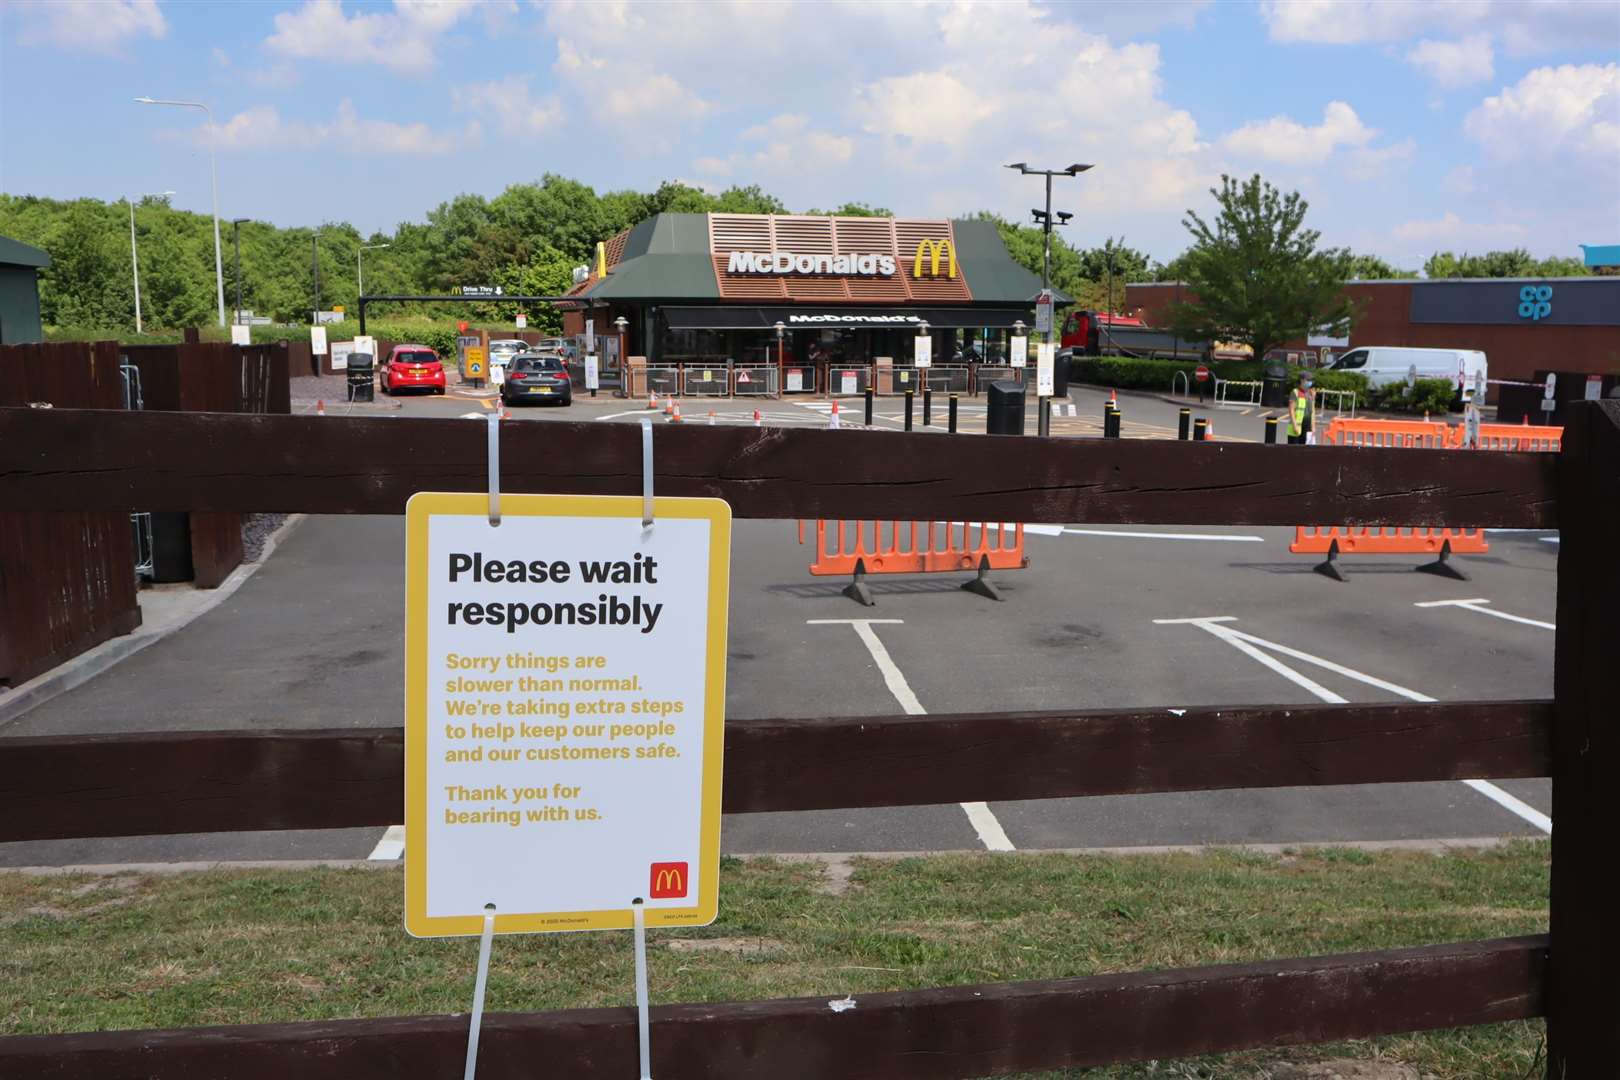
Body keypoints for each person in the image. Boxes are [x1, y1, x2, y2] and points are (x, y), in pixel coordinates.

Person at [1287, 371, 1314, 445]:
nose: (1310, 382)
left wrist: (1313, 426)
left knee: (1304, 451)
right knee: (1293, 451)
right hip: (1296, 427)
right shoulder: (1295, 392)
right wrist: (1295, 425)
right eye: (1308, 380)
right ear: (1302, 380)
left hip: (1307, 427)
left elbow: (1312, 411)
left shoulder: (1310, 393)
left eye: (1311, 380)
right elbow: (1291, 410)